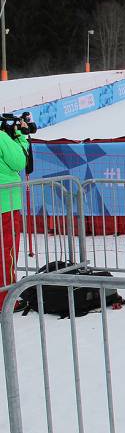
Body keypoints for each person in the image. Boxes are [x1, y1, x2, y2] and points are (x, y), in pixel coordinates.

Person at [0, 113, 32, 312]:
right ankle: (5, 299)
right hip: (5, 204)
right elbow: (20, 162)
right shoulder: (2, 138)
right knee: (6, 251)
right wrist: (21, 137)